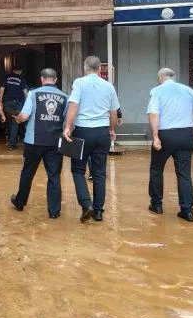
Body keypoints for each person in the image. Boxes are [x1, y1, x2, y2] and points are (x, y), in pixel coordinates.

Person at [147, 68, 193, 223]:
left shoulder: (157, 91)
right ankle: (187, 210)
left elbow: (154, 114)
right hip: (186, 135)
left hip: (166, 135)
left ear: (161, 77)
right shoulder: (188, 90)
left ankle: (157, 205)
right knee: (184, 174)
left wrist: (155, 136)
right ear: (173, 77)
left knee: (156, 169)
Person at [64, 56, 120, 223]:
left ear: (85, 67)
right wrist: (111, 129)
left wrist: (68, 127)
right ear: (99, 69)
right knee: (99, 173)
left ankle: (86, 204)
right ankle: (98, 211)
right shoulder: (109, 86)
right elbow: (114, 112)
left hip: (83, 131)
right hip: (102, 133)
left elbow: (73, 105)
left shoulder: (79, 83)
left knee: (78, 170)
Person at [9, 68, 68, 219]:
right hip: (55, 142)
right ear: (55, 80)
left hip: (34, 141)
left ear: (42, 79)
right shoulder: (65, 96)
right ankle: (54, 212)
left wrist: (17, 118)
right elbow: (68, 120)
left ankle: (20, 202)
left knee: (28, 172)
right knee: (54, 176)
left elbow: (24, 116)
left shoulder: (33, 94)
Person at [0, 66, 29, 150]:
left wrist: (0, 102)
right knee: (17, 121)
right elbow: (25, 92)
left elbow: (1, 89)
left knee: (11, 121)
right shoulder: (21, 78)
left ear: (13, 70)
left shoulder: (7, 77)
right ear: (20, 71)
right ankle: (12, 144)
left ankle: (10, 139)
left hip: (7, 103)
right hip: (17, 103)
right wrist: (28, 105)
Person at [89, 108, 123, 181]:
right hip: (103, 127)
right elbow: (114, 108)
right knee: (100, 153)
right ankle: (99, 173)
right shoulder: (109, 96)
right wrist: (119, 116)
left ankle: (93, 173)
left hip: (86, 126)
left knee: (89, 152)